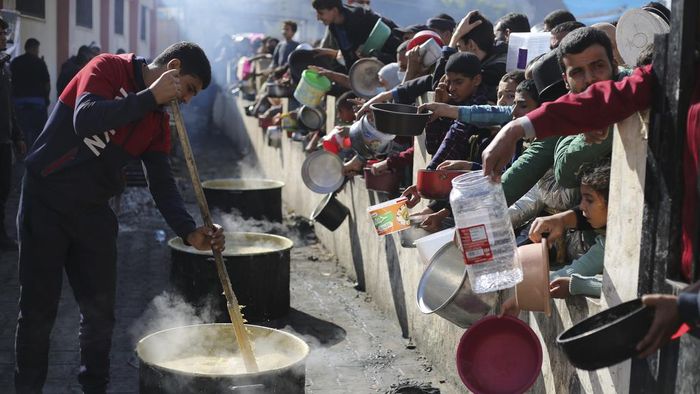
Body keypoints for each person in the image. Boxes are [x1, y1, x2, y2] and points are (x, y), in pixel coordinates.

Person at [14, 42, 226, 394]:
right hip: (46, 200)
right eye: (188, 88)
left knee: (99, 317)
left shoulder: (158, 122)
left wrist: (190, 231)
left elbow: (162, 183)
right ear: (173, 66)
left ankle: (94, 387)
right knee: (38, 314)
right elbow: (86, 119)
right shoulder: (108, 68)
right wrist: (149, 97)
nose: (187, 100)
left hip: (94, 212)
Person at [501, 159, 611, 316]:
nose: (581, 206)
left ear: (614, 200)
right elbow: (575, 270)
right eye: (582, 198)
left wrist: (579, 285)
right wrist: (520, 300)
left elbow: (633, 288)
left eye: (589, 199)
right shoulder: (606, 244)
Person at [312, 0, 402, 68]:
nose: (318, 18)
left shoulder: (359, 17)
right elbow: (348, 56)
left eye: (321, 13)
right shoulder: (334, 27)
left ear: (335, 11)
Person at [0, 17, 26, 250]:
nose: (4, 37)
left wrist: (17, 135)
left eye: (5, 32)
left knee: (4, 188)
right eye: (0, 33)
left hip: (5, 140)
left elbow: (9, 105)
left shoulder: (5, 67)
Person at [10, 38, 50, 147]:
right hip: (38, 103)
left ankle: (22, 155)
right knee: (38, 133)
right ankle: (35, 157)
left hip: (19, 103)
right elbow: (47, 84)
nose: (38, 52)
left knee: (21, 131)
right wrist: (46, 99)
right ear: (34, 48)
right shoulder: (40, 63)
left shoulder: (15, 62)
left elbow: (11, 83)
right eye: (37, 49)